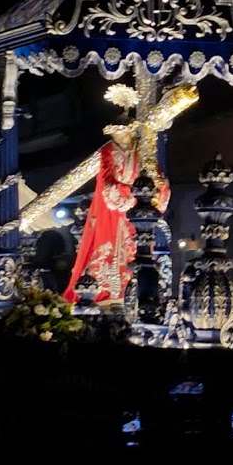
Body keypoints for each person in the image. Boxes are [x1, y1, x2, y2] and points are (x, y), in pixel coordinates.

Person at [62, 86, 170, 303]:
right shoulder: (107, 153)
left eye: (121, 131)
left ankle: (137, 291)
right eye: (115, 131)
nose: (118, 135)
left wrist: (159, 186)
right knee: (110, 250)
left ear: (130, 131)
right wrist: (131, 192)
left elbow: (155, 175)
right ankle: (106, 290)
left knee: (137, 249)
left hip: (138, 212)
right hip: (113, 211)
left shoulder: (143, 151)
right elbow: (108, 182)